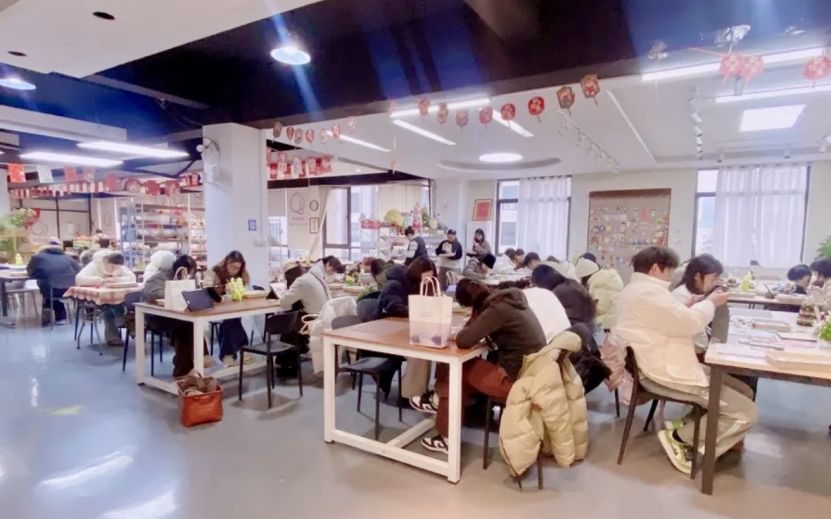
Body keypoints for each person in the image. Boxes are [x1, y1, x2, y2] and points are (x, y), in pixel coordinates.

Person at [613, 246, 757, 475]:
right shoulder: (649, 294)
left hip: (664, 362)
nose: (671, 277)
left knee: (744, 391)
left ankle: (689, 427)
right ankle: (682, 438)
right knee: (746, 413)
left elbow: (669, 319)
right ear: (655, 268)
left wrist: (691, 306)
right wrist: (710, 303)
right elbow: (688, 324)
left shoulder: (636, 291)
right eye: (669, 271)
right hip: (664, 371)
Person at [411, 279, 547, 454]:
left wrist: (473, 322)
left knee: (456, 370)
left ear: (471, 305)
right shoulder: (508, 301)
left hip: (516, 382)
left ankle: (440, 414)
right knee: (456, 377)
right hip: (533, 374)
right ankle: (439, 404)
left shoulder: (496, 311)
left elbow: (464, 340)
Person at [376, 257, 438, 400]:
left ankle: (424, 390)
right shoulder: (395, 285)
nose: (427, 282)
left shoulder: (420, 285)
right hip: (388, 332)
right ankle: (409, 394)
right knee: (420, 351)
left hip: (407, 330)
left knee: (432, 347)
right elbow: (394, 308)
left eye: (430, 278)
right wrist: (420, 308)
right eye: (425, 278)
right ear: (416, 274)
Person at [143, 255, 212, 375]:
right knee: (187, 324)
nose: (189, 276)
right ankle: (197, 358)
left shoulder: (190, 276)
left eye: (191, 274)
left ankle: (183, 368)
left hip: (179, 315)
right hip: (157, 317)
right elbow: (152, 293)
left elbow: (194, 291)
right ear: (178, 269)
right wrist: (177, 292)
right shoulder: (158, 278)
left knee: (187, 323)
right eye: (187, 273)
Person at [203, 251, 254, 367]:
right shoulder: (214, 271)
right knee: (232, 320)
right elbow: (206, 289)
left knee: (231, 321)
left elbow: (245, 290)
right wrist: (222, 288)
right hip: (214, 308)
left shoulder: (241, 274)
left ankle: (228, 356)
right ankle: (243, 349)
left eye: (237, 268)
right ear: (226, 263)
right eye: (232, 267)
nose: (234, 270)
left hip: (233, 308)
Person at [76, 250, 137, 346]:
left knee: (126, 303)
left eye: (117, 268)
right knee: (109, 307)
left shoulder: (118, 264)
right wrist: (99, 280)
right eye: (112, 266)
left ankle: (122, 327)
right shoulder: (95, 265)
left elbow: (132, 277)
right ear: (106, 261)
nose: (114, 269)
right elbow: (79, 279)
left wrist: (116, 279)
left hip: (114, 296)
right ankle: (119, 329)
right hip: (96, 298)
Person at [26, 238, 81, 326]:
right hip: (69, 289)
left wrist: (39, 275)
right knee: (52, 289)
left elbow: (30, 271)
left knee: (47, 288)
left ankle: (49, 311)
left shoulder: (38, 257)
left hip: (50, 289)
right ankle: (59, 316)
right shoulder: (69, 258)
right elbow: (79, 271)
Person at [531, 264, 596, 326]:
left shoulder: (559, 292)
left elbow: (554, 316)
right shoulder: (570, 283)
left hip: (579, 327)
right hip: (589, 323)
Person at [280, 255, 345, 314]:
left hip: (315, 320)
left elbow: (284, 302)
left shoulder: (304, 280)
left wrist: (283, 294)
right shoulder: (316, 277)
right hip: (326, 317)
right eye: (333, 271)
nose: (333, 274)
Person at [575, 255, 624, 331]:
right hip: (616, 320)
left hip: (605, 325)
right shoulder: (608, 278)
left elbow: (599, 308)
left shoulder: (598, 284)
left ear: (585, 276)